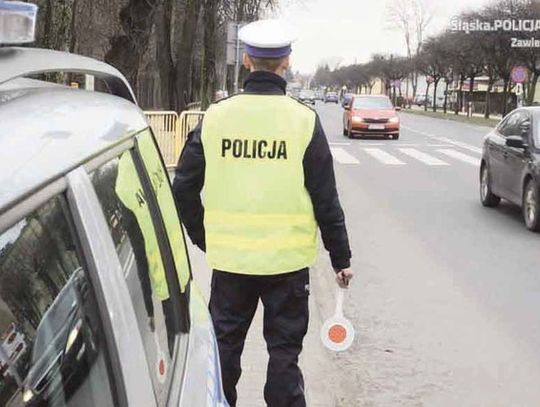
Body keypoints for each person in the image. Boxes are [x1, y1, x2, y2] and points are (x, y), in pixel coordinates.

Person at [173, 19, 353, 407]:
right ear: (286, 63)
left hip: (232, 265)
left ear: (246, 62)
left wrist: (205, 236)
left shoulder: (217, 117)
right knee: (284, 357)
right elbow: (326, 198)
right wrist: (341, 258)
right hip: (287, 268)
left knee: (224, 353)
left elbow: (183, 187)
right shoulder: (303, 121)